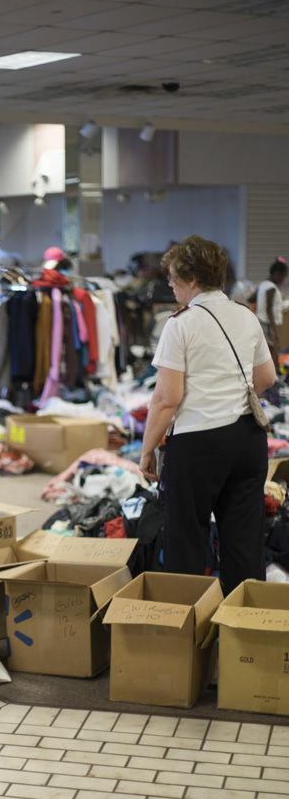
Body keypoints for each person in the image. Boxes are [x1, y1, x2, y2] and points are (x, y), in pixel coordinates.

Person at [139, 235, 276, 596]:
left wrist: (146, 449)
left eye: (172, 277)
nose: (169, 284)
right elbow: (267, 378)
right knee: (244, 543)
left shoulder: (180, 324)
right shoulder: (245, 316)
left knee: (186, 541)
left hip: (198, 443)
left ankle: (184, 637)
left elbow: (167, 398)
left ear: (192, 278)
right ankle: (244, 632)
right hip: (248, 440)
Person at [255, 257, 287, 373]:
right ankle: (275, 375)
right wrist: (275, 332)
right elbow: (269, 310)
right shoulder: (271, 288)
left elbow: (251, 298)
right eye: (283, 276)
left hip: (262, 321)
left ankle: (273, 374)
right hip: (267, 323)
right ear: (277, 274)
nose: (284, 279)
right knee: (273, 350)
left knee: (269, 350)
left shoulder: (263, 284)